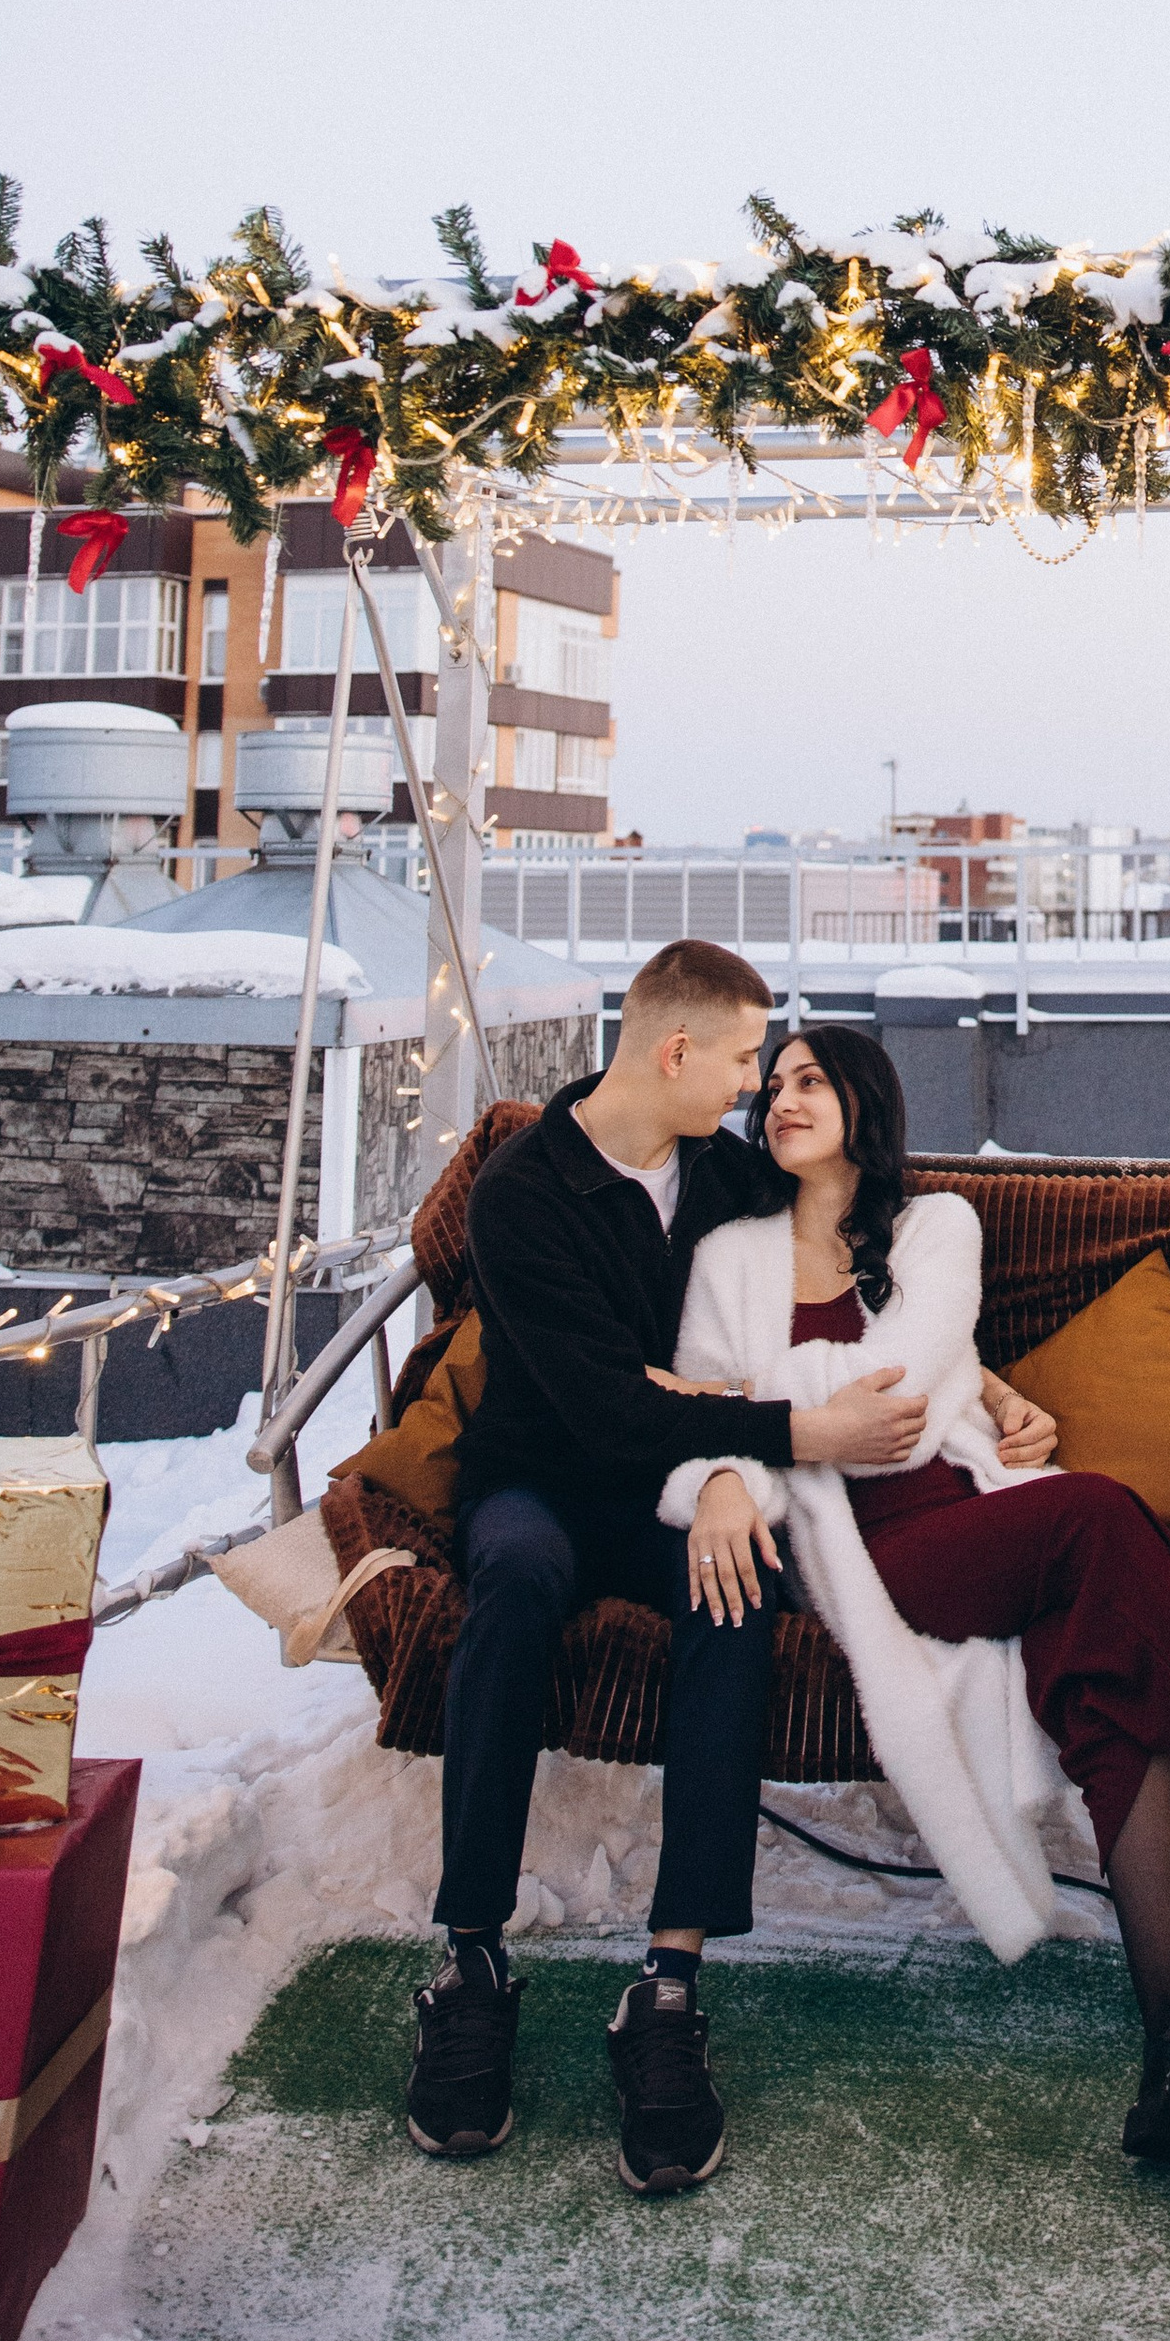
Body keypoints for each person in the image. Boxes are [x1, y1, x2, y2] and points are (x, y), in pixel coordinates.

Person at [660, 1025, 1170, 2165]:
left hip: (971, 1505)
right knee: (1097, 1512)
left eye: (809, 1080)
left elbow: (898, 1394)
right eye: (770, 1089)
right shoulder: (729, 1256)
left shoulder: (937, 1225)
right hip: (870, 1548)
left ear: (867, 1103)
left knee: (1113, 1686)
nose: (780, 1101)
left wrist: (779, 1397)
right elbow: (756, 1430)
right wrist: (773, 1429)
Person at [404, 935, 801, 2196]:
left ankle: (669, 1990)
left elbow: (844, 1274)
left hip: (669, 1493)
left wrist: (731, 1470)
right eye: (742, 1059)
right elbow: (599, 1411)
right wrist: (770, 1433)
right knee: (514, 1582)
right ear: (674, 1049)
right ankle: (470, 1960)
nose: (751, 1084)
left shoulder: (730, 1180)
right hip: (540, 1478)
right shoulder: (523, 1192)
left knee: (734, 1593)